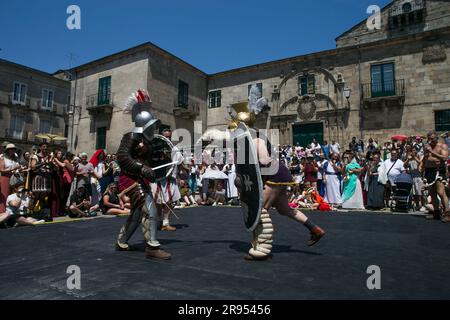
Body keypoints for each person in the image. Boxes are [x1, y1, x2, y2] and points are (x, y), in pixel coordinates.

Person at [230, 85, 325, 261]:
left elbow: (265, 160)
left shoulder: (256, 140)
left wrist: (256, 165)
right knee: (284, 209)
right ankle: (315, 229)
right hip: (280, 175)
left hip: (274, 175)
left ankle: (262, 250)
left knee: (260, 210)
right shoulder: (252, 141)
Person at [115, 89, 171, 260]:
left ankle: (121, 241)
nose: (154, 128)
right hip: (129, 179)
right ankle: (152, 246)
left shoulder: (147, 142)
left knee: (138, 213)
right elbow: (122, 158)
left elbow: (152, 163)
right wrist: (141, 168)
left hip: (139, 178)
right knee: (150, 209)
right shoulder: (131, 136)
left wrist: (162, 162)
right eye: (152, 125)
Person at [421, 132, 450, 222]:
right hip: (429, 171)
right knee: (432, 193)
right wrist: (422, 166)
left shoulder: (442, 146)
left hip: (438, 170)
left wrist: (431, 151)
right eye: (429, 139)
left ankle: (447, 213)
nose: (430, 141)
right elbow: (425, 159)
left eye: (432, 139)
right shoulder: (427, 147)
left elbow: (445, 158)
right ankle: (436, 212)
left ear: (436, 138)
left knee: (441, 192)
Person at [0, 144, 21, 212]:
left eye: (14, 149)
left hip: (14, 178)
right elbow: (2, 170)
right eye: (11, 149)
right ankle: (2, 212)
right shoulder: (2, 157)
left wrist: (20, 169)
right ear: (7, 150)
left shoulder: (15, 158)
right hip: (5, 178)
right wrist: (13, 168)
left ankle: (11, 212)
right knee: (4, 195)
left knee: (13, 195)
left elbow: (17, 168)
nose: (13, 150)